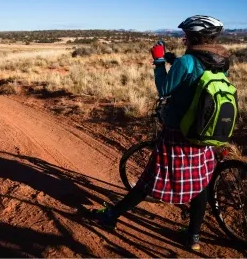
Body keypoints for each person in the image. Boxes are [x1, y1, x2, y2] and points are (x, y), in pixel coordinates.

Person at [88, 15, 230, 251]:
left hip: (178, 132)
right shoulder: (221, 59)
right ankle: (193, 237)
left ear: (193, 37)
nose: (183, 38)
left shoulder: (187, 62)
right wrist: (175, 62)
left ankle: (111, 215)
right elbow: (196, 83)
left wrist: (159, 61)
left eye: (186, 35)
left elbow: (164, 89)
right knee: (201, 183)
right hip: (205, 130)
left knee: (149, 180)